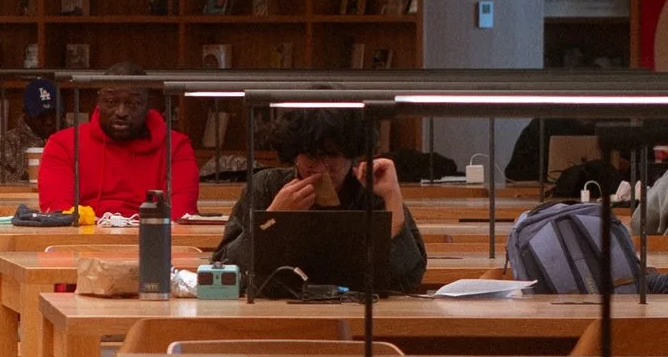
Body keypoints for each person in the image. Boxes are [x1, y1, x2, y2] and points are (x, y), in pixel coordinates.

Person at [213, 111, 427, 292]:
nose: (322, 168)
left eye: (332, 156)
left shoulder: (370, 191)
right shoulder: (266, 185)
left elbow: (409, 278)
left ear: (351, 155)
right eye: (310, 156)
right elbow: (223, 269)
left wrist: (392, 197)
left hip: (357, 314)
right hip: (277, 317)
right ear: (294, 154)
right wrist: (273, 219)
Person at [35, 78, 199, 219]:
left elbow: (182, 212)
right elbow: (57, 211)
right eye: (111, 102)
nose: (121, 112)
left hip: (155, 241)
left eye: (133, 104)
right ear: (98, 103)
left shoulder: (176, 146)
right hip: (83, 245)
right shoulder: (63, 144)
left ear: (148, 106)